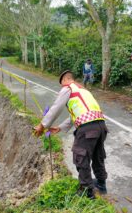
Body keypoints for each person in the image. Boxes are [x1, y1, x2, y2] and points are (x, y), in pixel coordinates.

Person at [34, 70, 108, 199]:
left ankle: (87, 191)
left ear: (65, 80)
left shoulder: (67, 88)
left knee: (81, 157)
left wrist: (42, 125)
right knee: (98, 155)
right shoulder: (83, 90)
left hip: (87, 128)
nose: (61, 86)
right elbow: (79, 113)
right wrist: (61, 127)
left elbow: (56, 107)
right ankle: (101, 185)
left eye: (61, 83)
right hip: (100, 126)